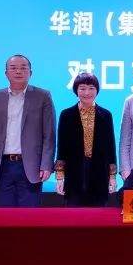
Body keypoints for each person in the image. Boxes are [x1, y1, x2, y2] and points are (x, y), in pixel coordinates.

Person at [0, 54, 56, 207]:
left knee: (29, 216)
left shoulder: (43, 96)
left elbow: (49, 135)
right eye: (13, 68)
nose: (18, 71)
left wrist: (46, 165)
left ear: (30, 73)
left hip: (31, 167)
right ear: (6, 73)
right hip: (2, 166)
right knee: (3, 215)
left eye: (23, 68)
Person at [54, 72, 117, 206]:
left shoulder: (106, 115)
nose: (87, 93)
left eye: (91, 88)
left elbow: (111, 148)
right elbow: (62, 148)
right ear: (76, 91)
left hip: (99, 172)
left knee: (98, 213)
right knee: (74, 213)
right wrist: (59, 178)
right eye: (82, 88)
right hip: (74, 171)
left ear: (97, 90)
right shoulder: (66, 115)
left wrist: (112, 177)